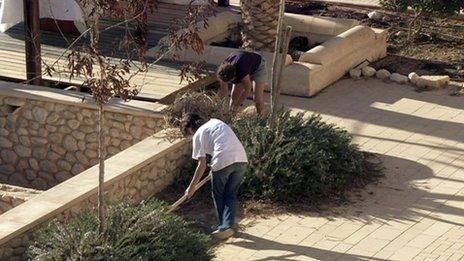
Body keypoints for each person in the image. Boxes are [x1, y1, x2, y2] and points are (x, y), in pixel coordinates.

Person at [182, 113, 248, 239]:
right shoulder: (215, 122)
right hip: (241, 159)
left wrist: (191, 187)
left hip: (223, 161)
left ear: (190, 128)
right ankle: (228, 225)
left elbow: (202, 165)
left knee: (218, 194)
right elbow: (222, 144)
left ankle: (224, 227)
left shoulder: (198, 134)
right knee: (231, 194)